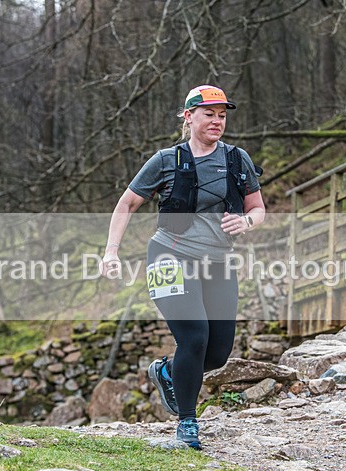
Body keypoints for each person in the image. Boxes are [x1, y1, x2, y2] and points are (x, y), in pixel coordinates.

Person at [100, 85, 265, 449]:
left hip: (218, 262)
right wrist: (111, 252)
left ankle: (167, 371)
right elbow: (126, 204)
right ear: (189, 117)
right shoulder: (166, 160)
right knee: (194, 336)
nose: (217, 121)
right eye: (209, 114)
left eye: (222, 115)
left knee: (218, 352)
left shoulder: (237, 159)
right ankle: (188, 423)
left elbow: (257, 208)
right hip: (169, 257)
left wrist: (246, 222)